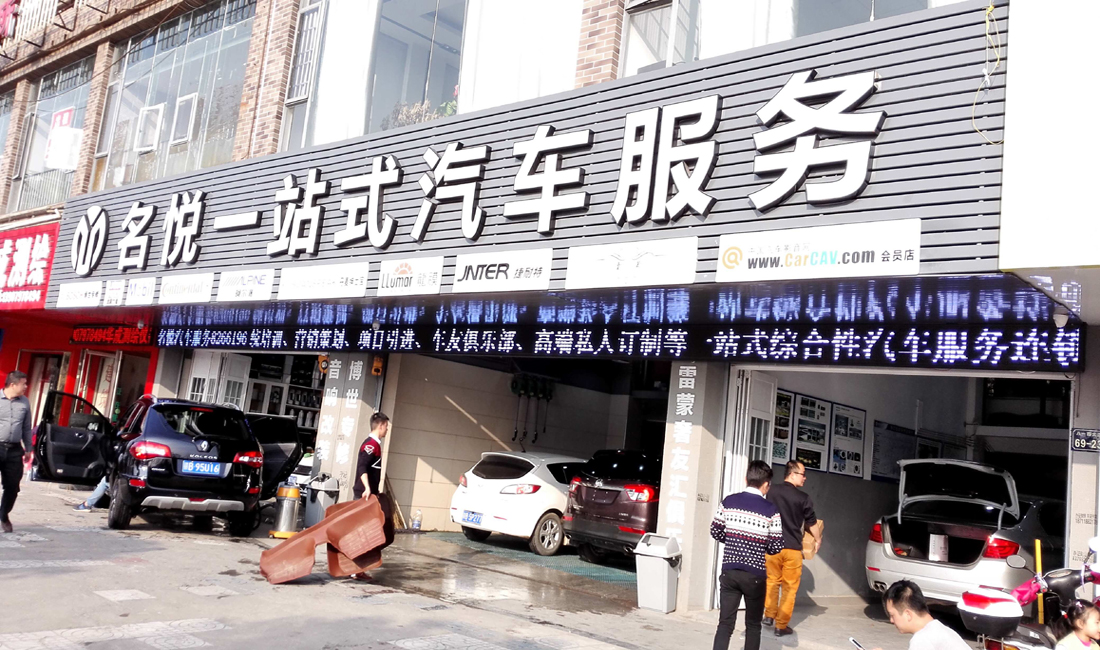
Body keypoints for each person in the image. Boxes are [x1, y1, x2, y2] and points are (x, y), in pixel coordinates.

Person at [710, 460, 784, 650]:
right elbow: (776, 546)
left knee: (725, 624)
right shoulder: (771, 510)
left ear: (746, 479)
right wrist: (758, 545)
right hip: (755, 576)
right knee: (753, 625)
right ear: (766, 484)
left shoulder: (728, 502)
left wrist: (734, 540)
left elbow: (715, 531)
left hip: (730, 571)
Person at [764, 459, 820, 636]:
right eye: (803, 474)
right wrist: (818, 539)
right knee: (789, 589)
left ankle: (769, 615)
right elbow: (812, 523)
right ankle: (781, 626)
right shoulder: (803, 498)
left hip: (772, 547)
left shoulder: (771, 490)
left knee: (772, 581)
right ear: (793, 474)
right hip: (792, 549)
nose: (805, 478)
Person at [350, 412, 393, 580]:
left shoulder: (375, 444)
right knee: (363, 532)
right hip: (364, 495)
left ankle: (358, 569)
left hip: (370, 495)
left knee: (367, 532)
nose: (387, 429)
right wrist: (367, 488)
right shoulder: (371, 445)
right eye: (386, 426)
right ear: (380, 425)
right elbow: (362, 467)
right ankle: (355, 568)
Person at [878, 580, 970, 650]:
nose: (891, 620)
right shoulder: (941, 630)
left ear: (908, 614)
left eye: (892, 615)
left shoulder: (922, 640)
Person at [0, 371, 32, 534]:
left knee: (13, 486)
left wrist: (29, 448)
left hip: (14, 450)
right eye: (23, 383)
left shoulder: (24, 402)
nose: (26, 386)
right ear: (12, 384)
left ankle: (3, 515)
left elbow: (26, 427)